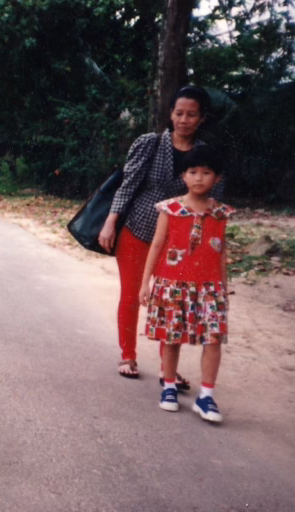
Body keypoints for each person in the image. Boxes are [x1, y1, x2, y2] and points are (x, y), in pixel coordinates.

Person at [98, 86, 223, 383]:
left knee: (170, 302)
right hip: (138, 230)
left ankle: (168, 368)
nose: (184, 119)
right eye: (179, 113)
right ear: (170, 114)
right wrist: (110, 221)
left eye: (191, 114)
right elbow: (127, 185)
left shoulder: (204, 155)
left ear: (201, 118)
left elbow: (213, 198)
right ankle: (128, 355)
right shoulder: (150, 144)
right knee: (131, 295)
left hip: (180, 240)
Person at [138, 146, 233, 423]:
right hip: (172, 284)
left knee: (213, 339)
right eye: (193, 172)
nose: (199, 178)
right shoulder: (171, 209)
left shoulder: (221, 214)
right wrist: (146, 283)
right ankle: (168, 387)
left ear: (217, 178)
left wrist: (223, 288)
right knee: (171, 337)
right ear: (184, 176)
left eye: (207, 173)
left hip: (210, 288)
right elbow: (156, 245)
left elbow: (221, 250)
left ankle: (206, 396)